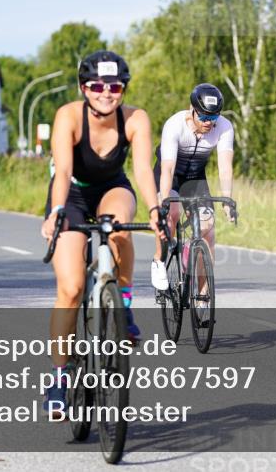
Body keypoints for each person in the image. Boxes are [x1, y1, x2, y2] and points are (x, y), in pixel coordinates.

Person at [39, 50, 165, 419]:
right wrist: (57, 212)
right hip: (72, 194)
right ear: (83, 88)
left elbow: (142, 169)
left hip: (113, 186)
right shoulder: (68, 116)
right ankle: (59, 379)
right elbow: (62, 171)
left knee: (119, 227)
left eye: (114, 86)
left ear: (123, 89)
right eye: (96, 86)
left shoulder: (136, 119)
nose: (105, 93)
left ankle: (122, 302)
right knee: (72, 288)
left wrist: (156, 209)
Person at [150, 83, 235, 291]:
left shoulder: (224, 127)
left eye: (213, 117)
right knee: (171, 215)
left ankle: (203, 296)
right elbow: (168, 168)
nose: (208, 123)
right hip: (169, 175)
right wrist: (163, 202)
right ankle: (159, 261)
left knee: (208, 228)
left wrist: (227, 199)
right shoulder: (174, 125)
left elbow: (225, 168)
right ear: (192, 110)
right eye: (204, 117)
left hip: (195, 178)